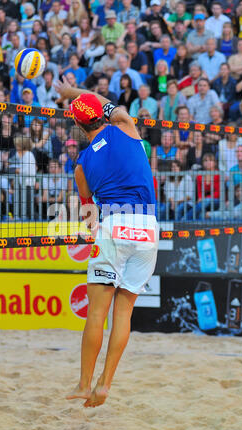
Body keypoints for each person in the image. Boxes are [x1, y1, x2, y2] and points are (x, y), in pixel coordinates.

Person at [54, 75, 158, 408]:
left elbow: (88, 215)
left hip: (114, 225)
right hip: (148, 229)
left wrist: (93, 226)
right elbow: (101, 102)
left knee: (97, 313)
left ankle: (85, 384)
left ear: (79, 126)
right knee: (123, 313)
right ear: (104, 113)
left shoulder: (81, 165)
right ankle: (105, 384)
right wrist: (74, 92)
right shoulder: (126, 125)